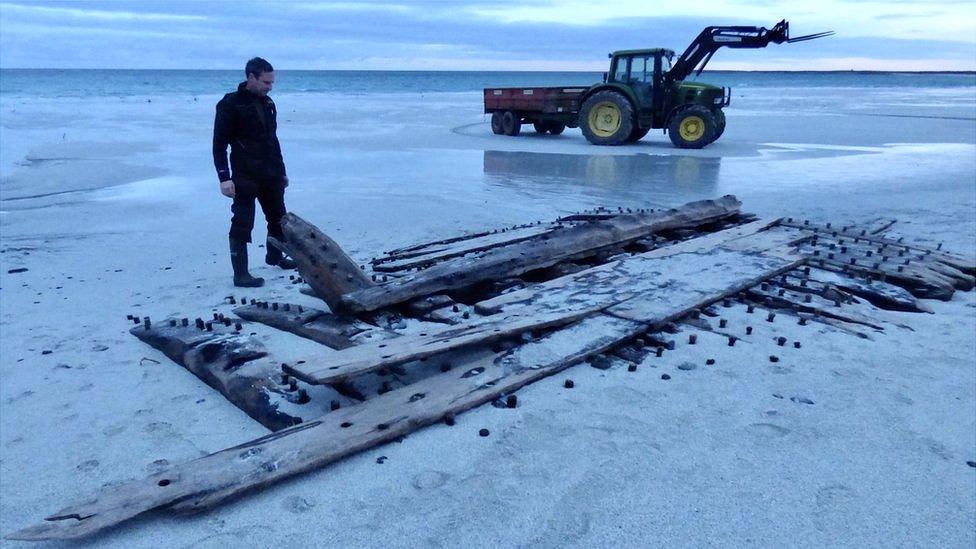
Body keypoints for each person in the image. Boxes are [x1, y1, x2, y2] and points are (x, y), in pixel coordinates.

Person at [213, 57, 296, 288]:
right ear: (251, 77)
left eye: (272, 82)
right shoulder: (230, 104)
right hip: (244, 174)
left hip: (270, 172)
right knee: (242, 222)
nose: (270, 87)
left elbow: (273, 140)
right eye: (266, 82)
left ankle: (275, 256)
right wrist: (224, 178)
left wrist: (282, 172)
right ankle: (241, 275)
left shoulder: (269, 104)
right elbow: (219, 144)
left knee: (279, 219)